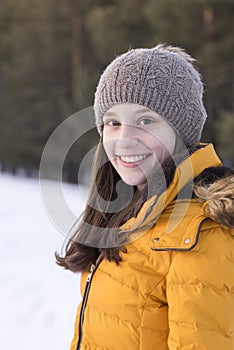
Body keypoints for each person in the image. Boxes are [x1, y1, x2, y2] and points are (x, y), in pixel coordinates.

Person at [56, 44, 234, 350]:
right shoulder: (126, 213)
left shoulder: (204, 233)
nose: (124, 140)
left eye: (145, 121)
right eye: (113, 122)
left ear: (181, 132)